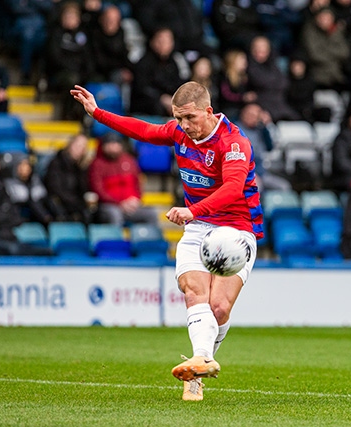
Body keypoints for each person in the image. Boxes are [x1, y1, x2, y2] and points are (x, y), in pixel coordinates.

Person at [70, 80, 264, 401]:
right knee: (194, 294)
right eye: (177, 118)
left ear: (208, 111)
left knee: (218, 307)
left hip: (237, 229)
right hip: (199, 226)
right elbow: (144, 131)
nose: (183, 126)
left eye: (190, 118)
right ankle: (198, 368)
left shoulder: (233, 143)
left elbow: (232, 188)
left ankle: (200, 359)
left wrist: (192, 210)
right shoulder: (179, 132)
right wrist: (97, 113)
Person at [87, 132, 158, 226]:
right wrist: (119, 203)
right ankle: (117, 240)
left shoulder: (129, 161)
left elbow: (138, 183)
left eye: (115, 144)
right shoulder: (97, 164)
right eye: (110, 144)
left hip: (131, 205)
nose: (113, 147)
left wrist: (136, 200)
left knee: (151, 213)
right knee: (114, 214)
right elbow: (98, 189)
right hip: (109, 206)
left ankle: (148, 240)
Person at [43, 133, 95, 224]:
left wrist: (84, 169)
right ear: (70, 145)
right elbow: (55, 188)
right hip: (60, 202)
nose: (80, 150)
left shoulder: (80, 167)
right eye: (77, 146)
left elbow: (84, 189)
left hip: (75, 203)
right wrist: (76, 203)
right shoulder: (56, 163)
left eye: (83, 147)